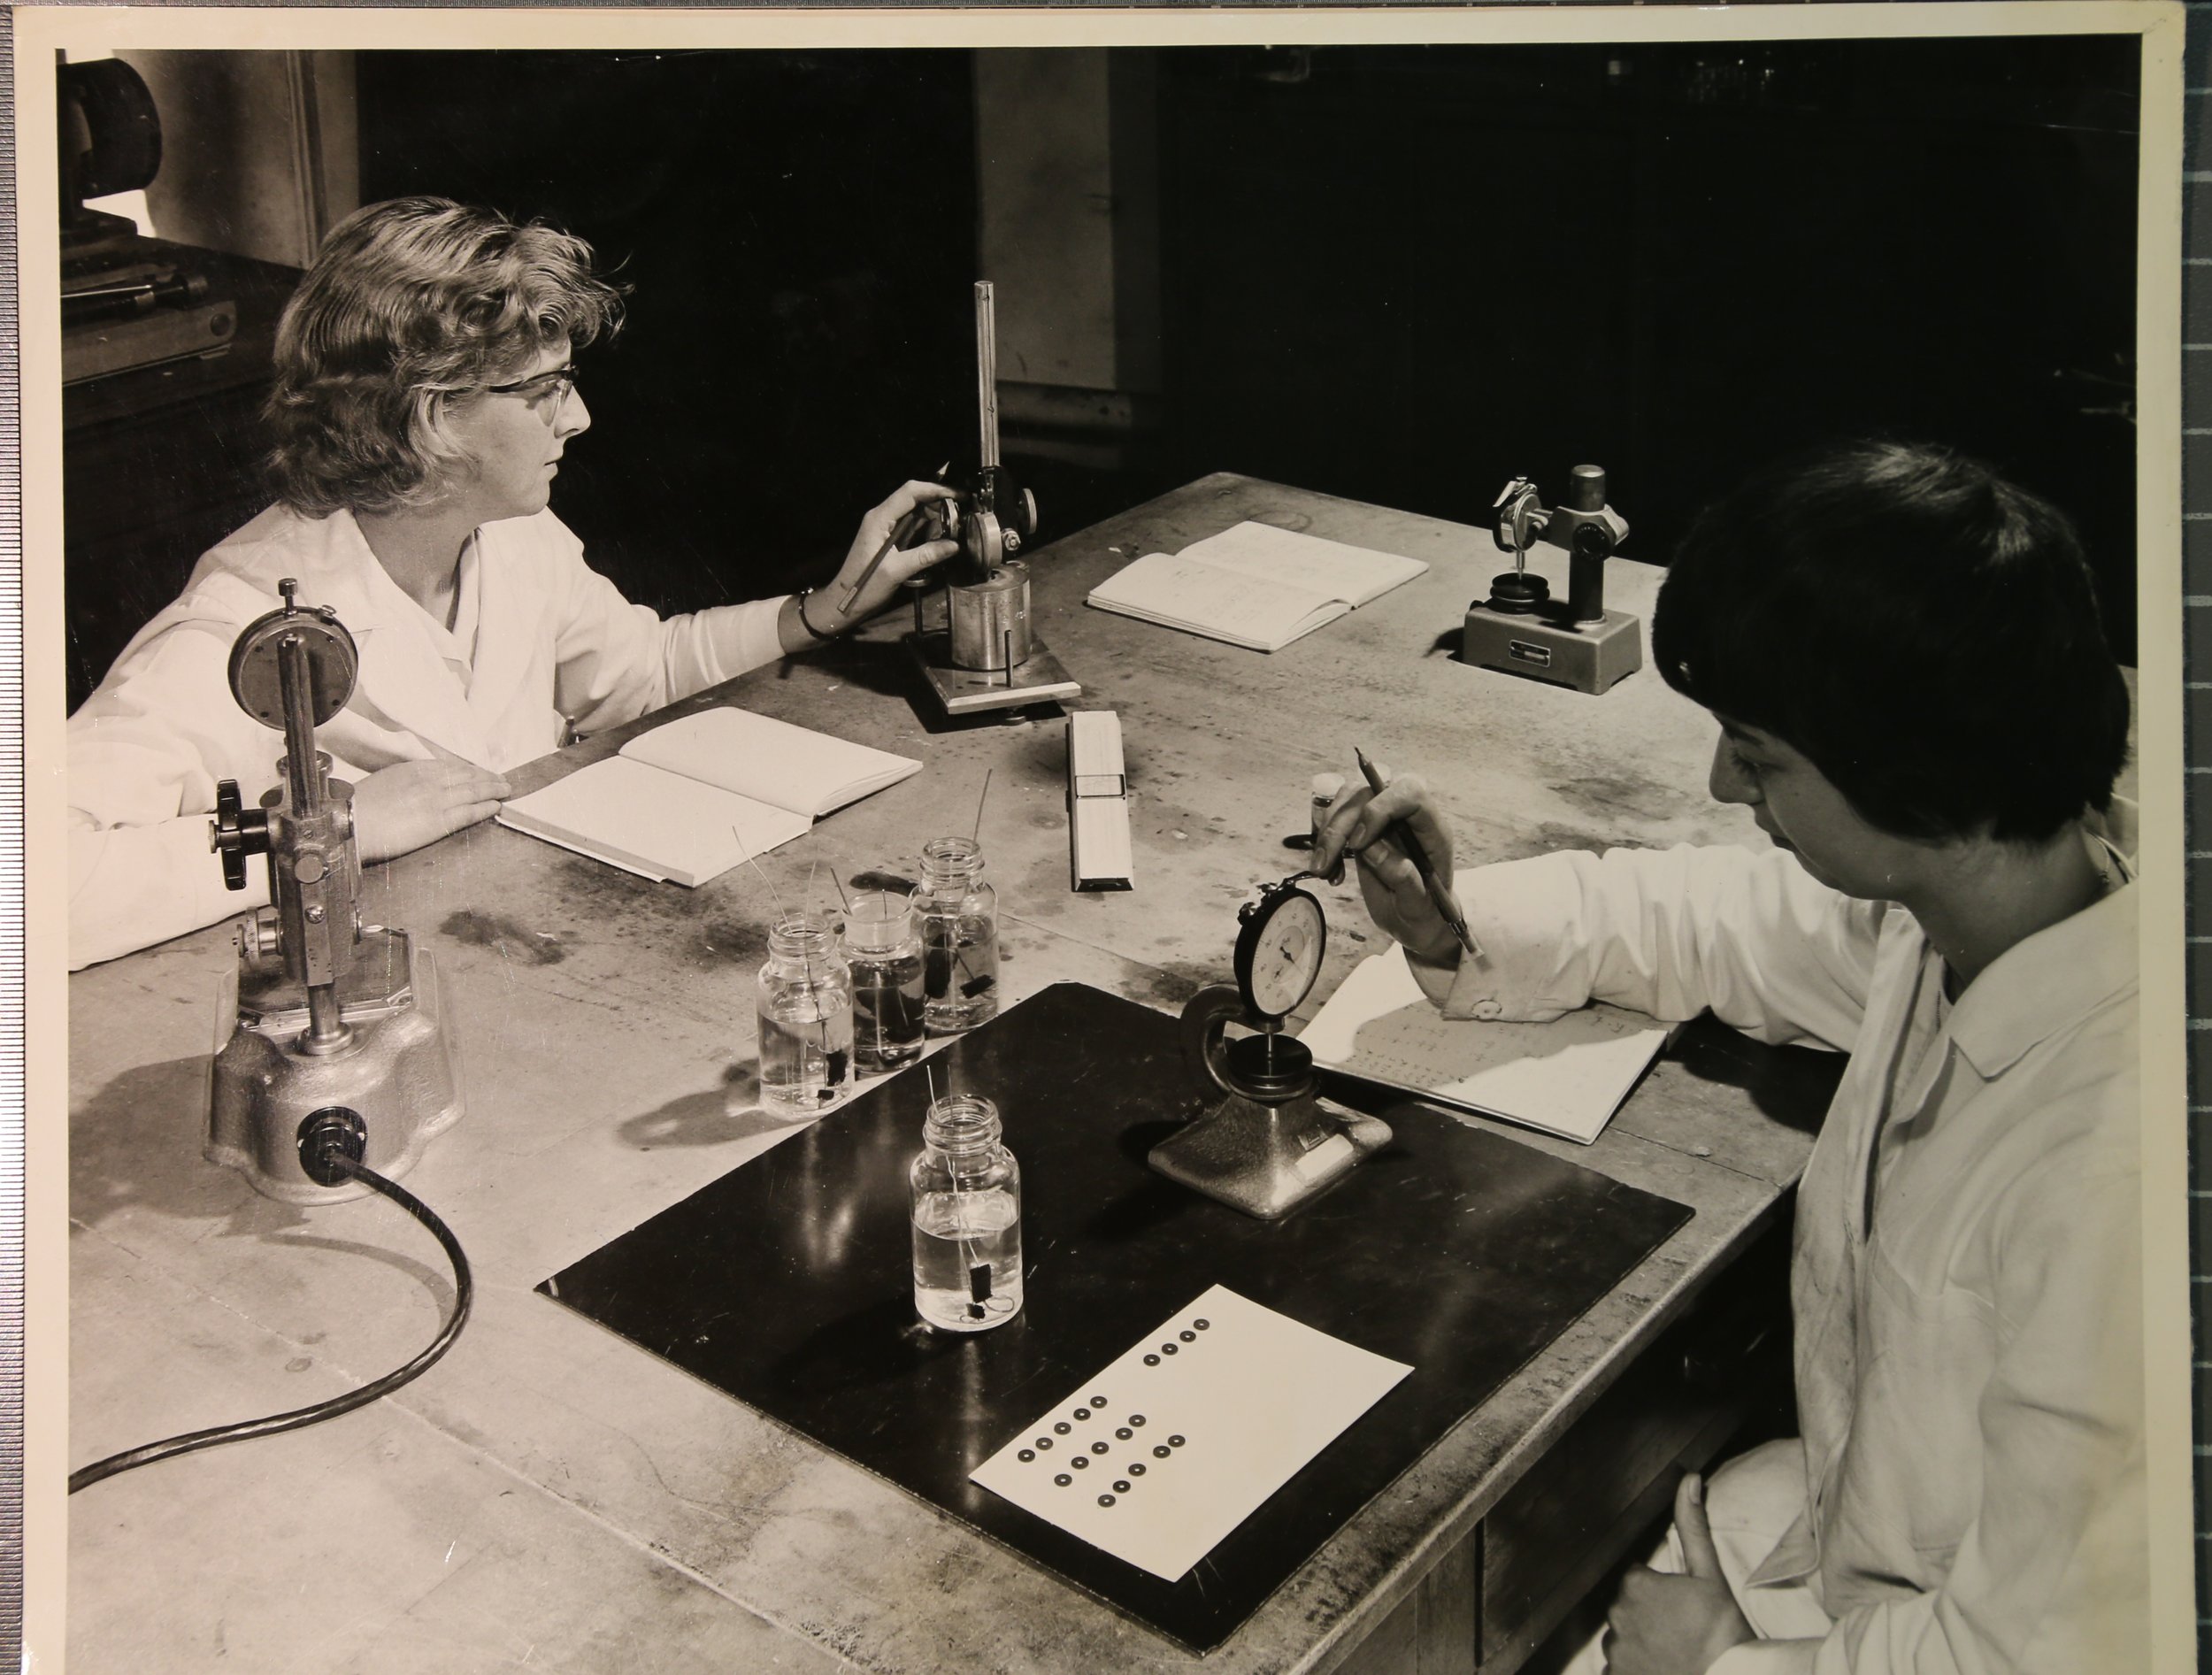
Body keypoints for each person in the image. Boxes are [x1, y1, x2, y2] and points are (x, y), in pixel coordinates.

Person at [1314, 442, 2143, 1674]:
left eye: (1759, 757)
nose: (1719, 781)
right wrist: (1454, 921)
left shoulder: (2114, 1169)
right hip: (1852, 1547)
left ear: (1911, 773)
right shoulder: (1969, 904)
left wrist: (1721, 1661)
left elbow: (2049, 1656)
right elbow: (1706, 922)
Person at [68, 196, 959, 970]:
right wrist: (331, 836)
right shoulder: (239, 631)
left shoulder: (510, 534)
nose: (579, 416)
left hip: (528, 950)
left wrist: (826, 609)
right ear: (429, 414)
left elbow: (634, 672)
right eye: (544, 391)